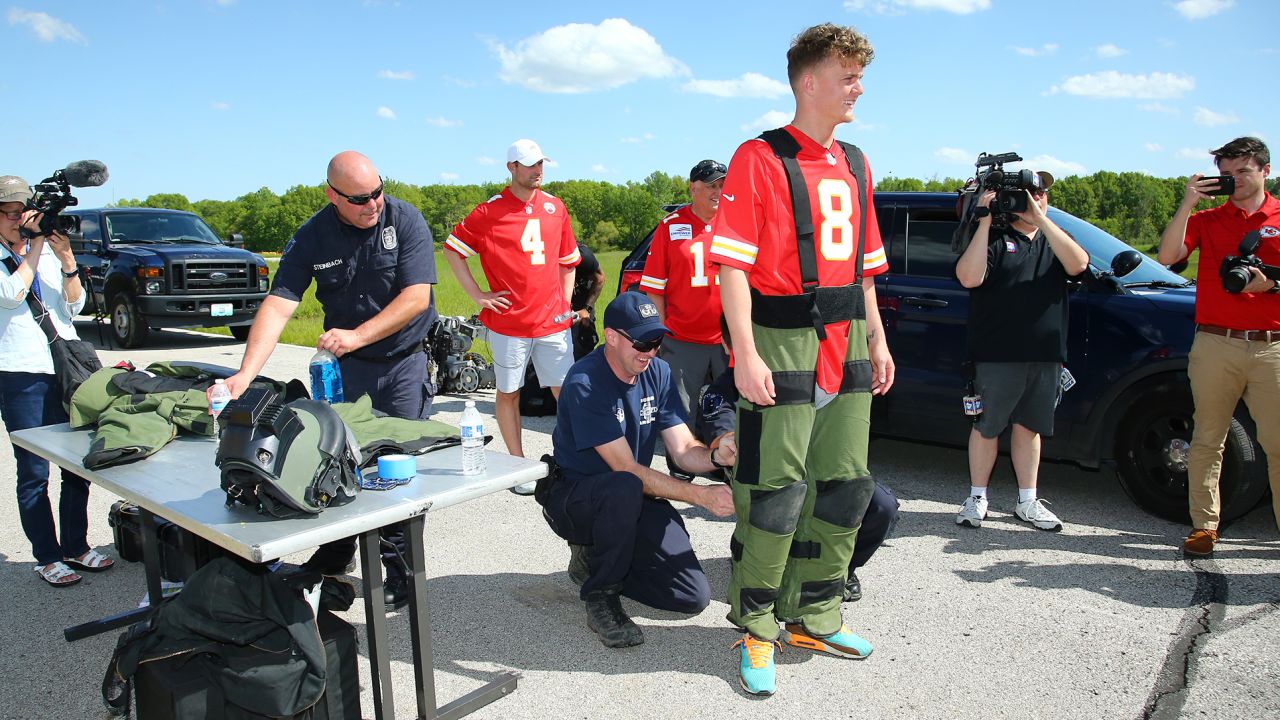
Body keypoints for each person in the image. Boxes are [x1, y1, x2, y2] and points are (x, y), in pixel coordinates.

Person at [708, 23, 894, 696]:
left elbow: (866, 269)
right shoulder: (759, 157)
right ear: (809, 81)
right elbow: (730, 266)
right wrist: (746, 354)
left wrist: (877, 337)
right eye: (847, 75)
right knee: (775, 491)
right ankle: (757, 627)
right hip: (779, 338)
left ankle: (815, 612)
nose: (858, 87)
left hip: (845, 337)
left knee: (844, 484)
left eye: (859, 76)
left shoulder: (857, 162)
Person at [223, 151, 437, 609]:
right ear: (332, 195)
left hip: (402, 363)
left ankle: (399, 567)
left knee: (395, 465)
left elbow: (417, 297)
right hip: (348, 370)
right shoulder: (313, 237)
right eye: (360, 198)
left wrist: (358, 335)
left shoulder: (406, 220)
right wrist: (246, 374)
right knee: (342, 460)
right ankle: (340, 549)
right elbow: (280, 304)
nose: (373, 204)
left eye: (378, 191)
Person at [542, 292, 735, 649]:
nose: (650, 351)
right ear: (612, 337)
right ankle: (601, 595)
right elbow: (626, 468)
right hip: (577, 497)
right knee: (624, 487)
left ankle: (596, 559)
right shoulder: (586, 382)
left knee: (690, 596)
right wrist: (701, 495)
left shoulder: (657, 373)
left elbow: (682, 449)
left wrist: (717, 456)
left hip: (631, 495)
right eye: (643, 342)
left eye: (657, 341)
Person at [692, 319, 898, 602]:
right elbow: (721, 433)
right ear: (729, 346)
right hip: (771, 485)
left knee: (881, 505)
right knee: (783, 500)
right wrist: (729, 440)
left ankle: (839, 569)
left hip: (819, 477)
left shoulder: (808, 374)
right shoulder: (724, 390)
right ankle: (757, 565)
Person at [1157, 136, 1280, 556]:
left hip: (1271, 346)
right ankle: (1204, 527)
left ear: (1265, 170)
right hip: (1215, 343)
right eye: (1226, 174)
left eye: (1242, 171)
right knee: (1208, 438)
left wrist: (1272, 284)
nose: (1234, 181)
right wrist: (1187, 204)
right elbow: (1168, 256)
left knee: (1278, 443)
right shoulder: (1209, 219)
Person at [953, 172, 1088, 532]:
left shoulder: (1054, 240)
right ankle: (977, 497)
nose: (1036, 199)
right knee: (987, 426)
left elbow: (1078, 264)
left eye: (1041, 193)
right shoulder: (995, 238)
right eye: (1028, 194)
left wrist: (1042, 219)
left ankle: (1027, 500)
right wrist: (983, 221)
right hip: (996, 354)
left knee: (1030, 428)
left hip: (1044, 354)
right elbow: (968, 277)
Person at [445, 139, 580, 494]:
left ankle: (575, 459)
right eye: (530, 164)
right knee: (508, 393)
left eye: (541, 164)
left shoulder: (555, 207)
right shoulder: (488, 212)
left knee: (566, 393)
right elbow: (452, 250)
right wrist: (477, 294)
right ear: (512, 168)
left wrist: (564, 304)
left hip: (552, 323)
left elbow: (569, 263)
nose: (538, 171)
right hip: (509, 325)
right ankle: (519, 468)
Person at [0, 175, 114, 587]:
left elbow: (76, 305)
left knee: (75, 465)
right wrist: (32, 247)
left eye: (23, 212)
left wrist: (65, 260)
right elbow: (12, 293)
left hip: (64, 368)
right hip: (20, 373)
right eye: (11, 214)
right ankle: (46, 556)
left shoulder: (44, 250)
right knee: (33, 470)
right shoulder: (20, 252)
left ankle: (76, 547)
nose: (20, 219)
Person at [640, 159, 730, 422]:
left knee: (732, 412)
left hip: (727, 339)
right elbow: (654, 289)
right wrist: (660, 337)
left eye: (722, 185)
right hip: (682, 341)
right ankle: (681, 465)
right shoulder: (670, 226)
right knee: (680, 416)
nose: (718, 191)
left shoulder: (735, 224)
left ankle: (729, 463)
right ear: (693, 188)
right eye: (711, 185)